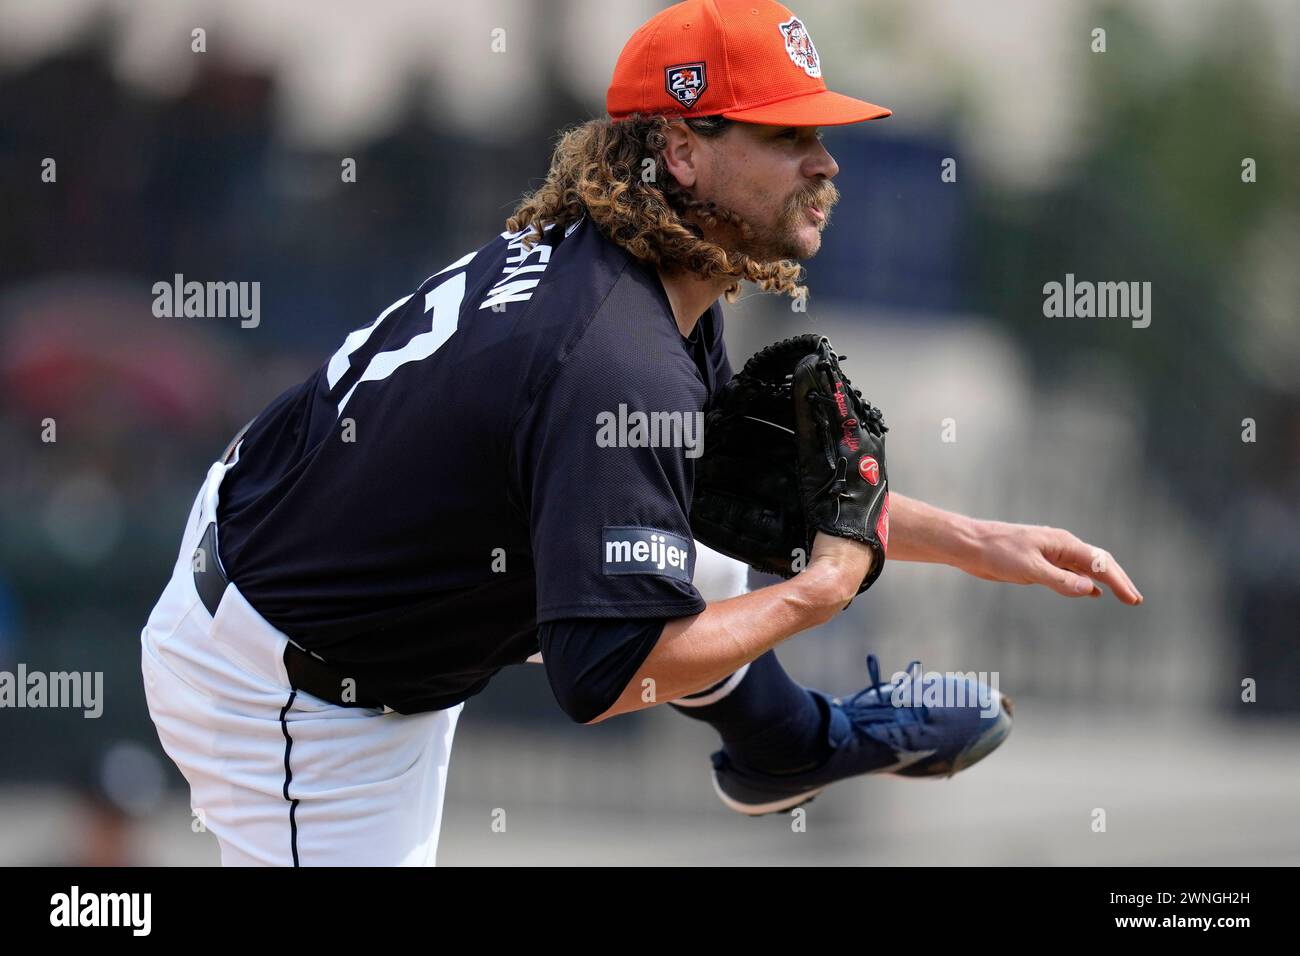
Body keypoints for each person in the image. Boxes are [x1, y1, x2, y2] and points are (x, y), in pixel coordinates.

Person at [140, 0, 1142, 866]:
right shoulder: (614, 350)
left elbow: (714, 478)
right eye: (784, 137)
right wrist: (823, 588)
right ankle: (791, 740)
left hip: (310, 541)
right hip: (293, 688)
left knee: (681, 526)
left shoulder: (637, 265)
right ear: (679, 149)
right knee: (649, 587)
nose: (823, 161)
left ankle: (784, 743)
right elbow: (609, 673)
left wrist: (975, 540)